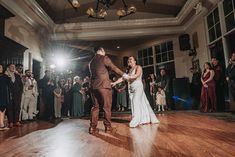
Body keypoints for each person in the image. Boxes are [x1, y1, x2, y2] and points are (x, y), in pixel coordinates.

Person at [112, 56, 159, 128]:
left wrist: (128, 77)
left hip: (138, 87)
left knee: (135, 101)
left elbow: (136, 75)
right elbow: (122, 78)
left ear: (135, 61)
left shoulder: (138, 67)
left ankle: (135, 121)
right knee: (140, 103)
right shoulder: (129, 70)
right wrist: (115, 83)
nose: (129, 61)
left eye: (131, 59)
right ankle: (144, 119)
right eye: (128, 60)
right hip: (131, 90)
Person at [88, 46, 125, 134]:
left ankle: (92, 128)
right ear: (101, 50)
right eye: (104, 50)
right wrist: (124, 74)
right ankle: (108, 127)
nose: (105, 52)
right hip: (103, 86)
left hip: (93, 87)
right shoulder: (104, 58)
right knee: (106, 107)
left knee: (95, 107)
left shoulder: (91, 62)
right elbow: (114, 68)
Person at [0, 64, 10, 130]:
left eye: (1, 67)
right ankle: (1, 125)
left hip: (3, 95)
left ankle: (1, 125)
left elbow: (9, 83)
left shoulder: (5, 76)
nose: (1, 68)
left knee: (3, 109)